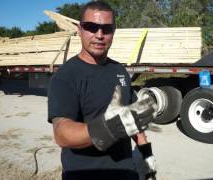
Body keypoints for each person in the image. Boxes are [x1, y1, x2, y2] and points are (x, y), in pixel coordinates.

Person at [47, 1, 157, 180]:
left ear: (113, 32)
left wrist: (147, 158)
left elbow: (132, 119)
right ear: (79, 29)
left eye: (106, 29)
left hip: (126, 172)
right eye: (91, 27)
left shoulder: (119, 70)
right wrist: (107, 128)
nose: (99, 35)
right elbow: (62, 133)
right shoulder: (66, 76)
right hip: (84, 174)